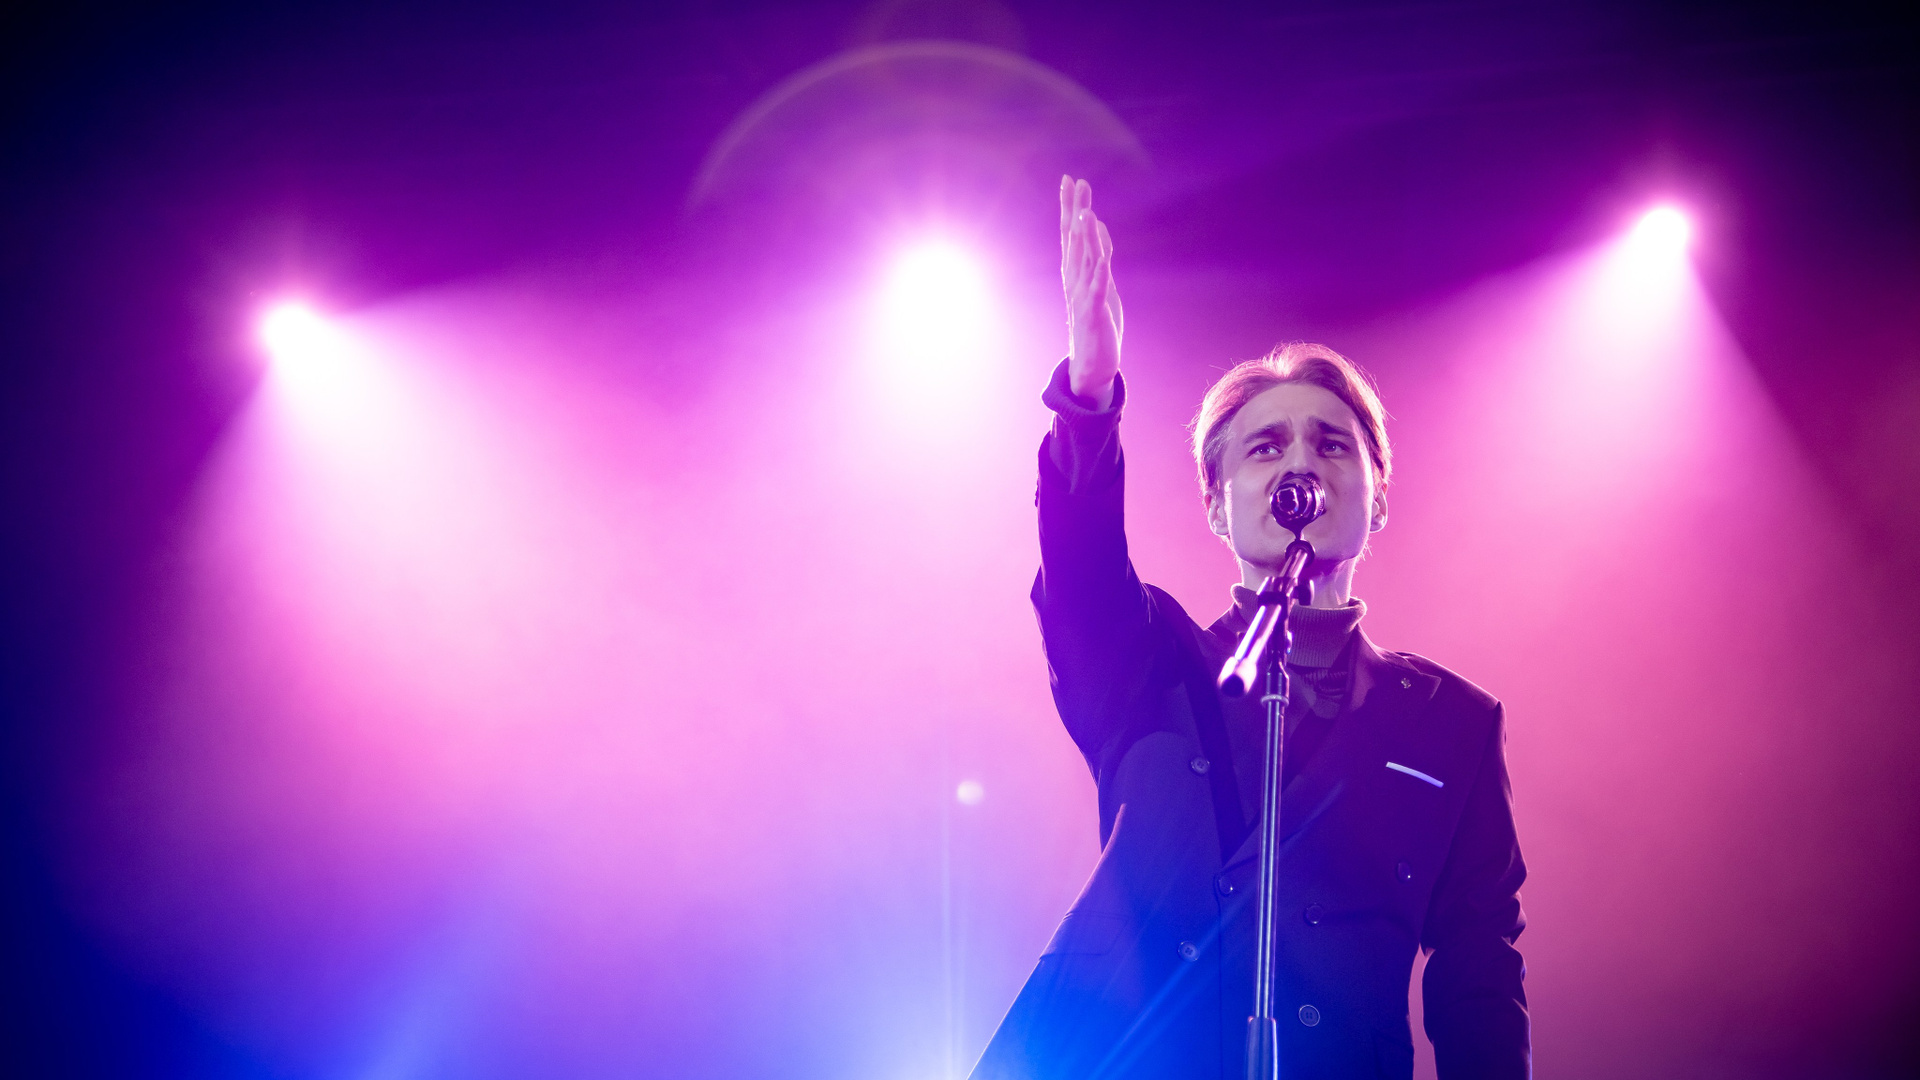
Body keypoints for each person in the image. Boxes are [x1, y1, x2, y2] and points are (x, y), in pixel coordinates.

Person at [969, 177, 1530, 1080]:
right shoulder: (1153, 663)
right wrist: (1090, 397)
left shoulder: (1454, 724)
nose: (1299, 463)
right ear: (1217, 506)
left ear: (1377, 499)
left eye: (1332, 444)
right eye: (1265, 447)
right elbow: (1080, 567)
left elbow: (1481, 973)